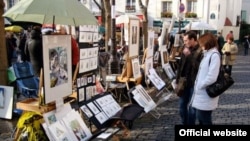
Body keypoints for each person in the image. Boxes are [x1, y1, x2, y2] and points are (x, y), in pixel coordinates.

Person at [191, 33, 221, 125]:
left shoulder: (214, 55)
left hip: (206, 93)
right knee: (201, 119)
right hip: (201, 94)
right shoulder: (207, 54)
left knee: (204, 120)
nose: (200, 45)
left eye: (202, 43)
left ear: (207, 43)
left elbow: (212, 77)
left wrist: (200, 85)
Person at [175, 30, 203, 125]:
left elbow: (199, 67)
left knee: (192, 109)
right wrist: (177, 80)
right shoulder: (185, 48)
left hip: (193, 83)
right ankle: (185, 123)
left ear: (193, 39)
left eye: (186, 40)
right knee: (181, 107)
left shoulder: (200, 50)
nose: (185, 42)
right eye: (184, 40)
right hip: (183, 83)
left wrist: (190, 56)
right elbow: (180, 66)